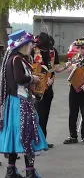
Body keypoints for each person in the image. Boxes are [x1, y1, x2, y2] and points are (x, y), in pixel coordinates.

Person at [0, 30, 48, 178]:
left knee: (16, 136)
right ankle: (29, 172)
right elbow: (20, 78)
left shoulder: (11, 59)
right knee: (28, 134)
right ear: (22, 45)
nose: (31, 46)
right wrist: (32, 78)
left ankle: (11, 170)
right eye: (29, 44)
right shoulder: (17, 60)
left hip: (12, 103)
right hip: (20, 103)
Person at [31, 32, 71, 148]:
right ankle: (35, 141)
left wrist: (66, 66)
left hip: (48, 87)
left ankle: (43, 140)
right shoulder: (33, 51)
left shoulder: (53, 51)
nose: (46, 49)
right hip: (35, 88)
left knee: (45, 115)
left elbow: (56, 68)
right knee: (36, 114)